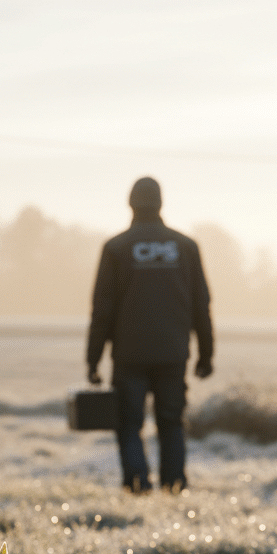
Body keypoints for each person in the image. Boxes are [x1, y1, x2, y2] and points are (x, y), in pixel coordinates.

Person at [86, 176, 214, 493]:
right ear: (160, 203)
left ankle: (137, 485)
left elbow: (102, 310)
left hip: (129, 356)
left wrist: (93, 360)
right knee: (171, 422)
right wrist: (206, 354)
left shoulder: (116, 248)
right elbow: (201, 304)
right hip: (173, 353)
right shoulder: (185, 247)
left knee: (129, 423)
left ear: (130, 203)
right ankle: (174, 485)